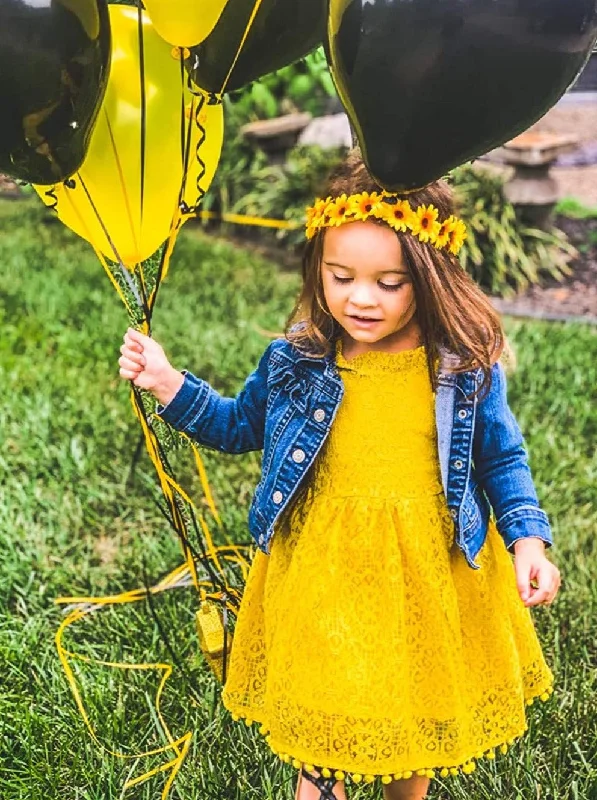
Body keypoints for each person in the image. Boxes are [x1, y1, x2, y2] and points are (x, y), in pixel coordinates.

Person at [118, 150, 561, 800]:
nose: (360, 298)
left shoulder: (461, 368)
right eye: (340, 275)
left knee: (408, 717)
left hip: (423, 571)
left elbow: (500, 457)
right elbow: (238, 425)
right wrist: (168, 383)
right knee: (323, 737)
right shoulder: (297, 360)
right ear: (316, 269)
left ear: (430, 277)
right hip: (323, 573)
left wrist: (526, 539)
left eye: (390, 282)